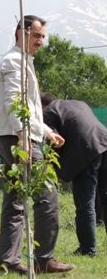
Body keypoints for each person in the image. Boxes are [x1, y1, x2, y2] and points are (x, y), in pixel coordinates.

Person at [0, 15, 74, 274]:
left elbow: (29, 109)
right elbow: (14, 103)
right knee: (47, 195)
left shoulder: (23, 61)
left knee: (14, 200)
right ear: (20, 33)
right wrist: (24, 137)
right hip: (17, 138)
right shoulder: (14, 61)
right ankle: (44, 259)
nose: (41, 41)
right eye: (36, 35)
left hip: (13, 136)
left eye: (43, 36)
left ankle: (9, 261)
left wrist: (46, 132)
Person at [41, 93, 107, 257]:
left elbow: (55, 143)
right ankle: (88, 248)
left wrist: (55, 170)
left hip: (85, 151)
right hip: (104, 142)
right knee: (105, 199)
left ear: (41, 106)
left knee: (85, 204)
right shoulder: (79, 103)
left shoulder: (48, 112)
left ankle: (88, 250)